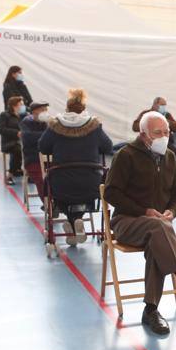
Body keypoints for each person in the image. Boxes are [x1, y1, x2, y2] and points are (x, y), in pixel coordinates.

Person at [104, 111, 176, 335]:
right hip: (127, 220)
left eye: (167, 132)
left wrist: (171, 212)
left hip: (158, 226)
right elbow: (111, 193)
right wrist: (144, 211)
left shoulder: (170, 157)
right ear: (144, 135)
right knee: (158, 229)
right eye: (158, 133)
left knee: (159, 235)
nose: (164, 136)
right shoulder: (126, 155)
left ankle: (151, 310)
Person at [39, 89, 113, 242]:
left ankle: (72, 224)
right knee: (87, 188)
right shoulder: (94, 126)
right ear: (83, 109)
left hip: (61, 182)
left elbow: (43, 147)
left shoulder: (55, 126)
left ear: (66, 108)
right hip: (90, 182)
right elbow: (108, 147)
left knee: (59, 190)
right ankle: (77, 221)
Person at [19, 101, 51, 203]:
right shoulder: (26, 122)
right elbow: (28, 138)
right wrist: (47, 134)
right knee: (41, 180)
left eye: (46, 110)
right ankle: (48, 204)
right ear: (34, 112)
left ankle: (56, 202)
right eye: (42, 110)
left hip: (49, 158)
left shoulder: (48, 123)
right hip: (33, 159)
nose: (45, 112)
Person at [0, 96, 25, 181]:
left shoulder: (22, 116)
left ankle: (26, 172)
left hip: (20, 142)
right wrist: (16, 133)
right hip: (9, 142)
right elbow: (1, 129)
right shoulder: (5, 115)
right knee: (17, 149)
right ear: (14, 106)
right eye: (21, 104)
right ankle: (10, 175)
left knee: (31, 150)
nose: (23, 106)